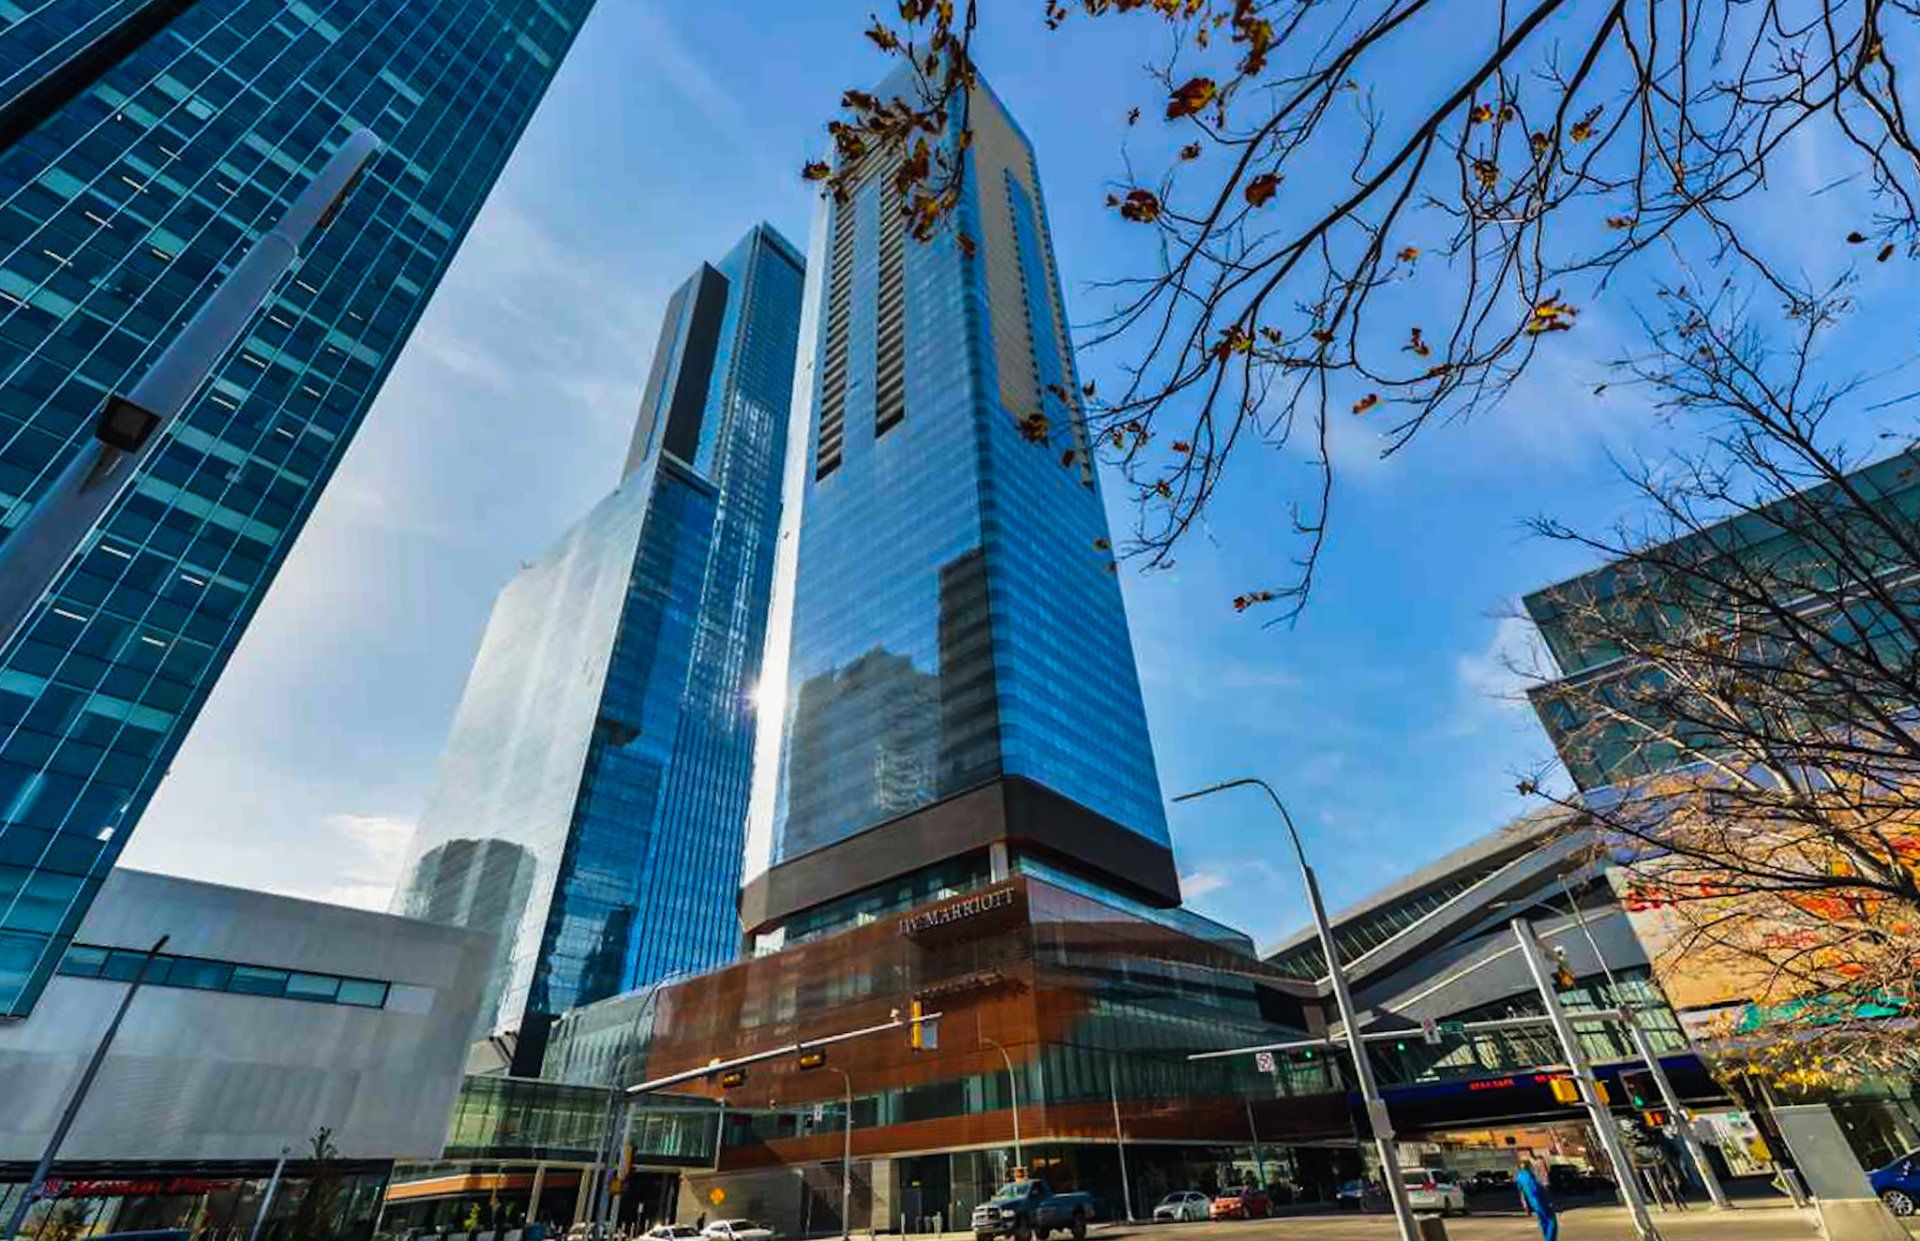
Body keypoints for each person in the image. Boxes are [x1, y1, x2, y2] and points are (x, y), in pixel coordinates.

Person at [1514, 1161, 1559, 1241]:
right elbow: (1535, 1190)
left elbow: (1522, 1194)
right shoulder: (1528, 1177)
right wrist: (1548, 1200)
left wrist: (1526, 1205)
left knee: (1543, 1221)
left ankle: (1547, 1238)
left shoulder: (1520, 1177)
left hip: (1534, 1203)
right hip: (1541, 1201)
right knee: (1551, 1221)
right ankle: (1550, 1239)